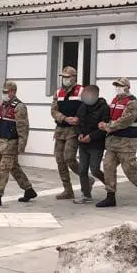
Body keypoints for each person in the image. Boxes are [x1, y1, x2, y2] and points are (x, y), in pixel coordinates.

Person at [97, 78, 137, 207]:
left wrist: (107, 126)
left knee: (129, 170)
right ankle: (110, 196)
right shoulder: (115, 100)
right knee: (108, 167)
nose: (117, 88)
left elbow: (125, 121)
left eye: (120, 85)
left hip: (126, 142)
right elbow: (110, 116)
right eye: (116, 85)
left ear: (127, 87)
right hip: (112, 141)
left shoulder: (133, 103)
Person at [0, 81, 37, 207]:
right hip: (2, 141)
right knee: (14, 167)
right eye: (3, 92)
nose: (4, 94)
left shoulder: (19, 107)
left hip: (11, 142)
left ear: (13, 92)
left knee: (4, 168)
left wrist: (22, 145)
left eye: (6, 92)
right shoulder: (3, 105)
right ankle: (29, 190)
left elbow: (23, 127)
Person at [51, 66, 84, 200]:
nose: (64, 79)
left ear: (74, 77)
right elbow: (53, 110)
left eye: (67, 77)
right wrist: (64, 118)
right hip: (60, 129)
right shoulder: (58, 92)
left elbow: (88, 108)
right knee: (60, 159)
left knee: (69, 158)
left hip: (73, 130)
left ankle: (86, 179)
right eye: (63, 77)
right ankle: (67, 190)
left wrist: (78, 118)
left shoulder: (81, 91)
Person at [73, 85, 110, 204]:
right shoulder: (83, 106)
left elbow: (104, 128)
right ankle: (86, 195)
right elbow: (78, 122)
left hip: (96, 144)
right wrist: (79, 133)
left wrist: (91, 136)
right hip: (83, 143)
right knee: (82, 170)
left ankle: (110, 186)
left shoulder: (104, 108)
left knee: (94, 169)